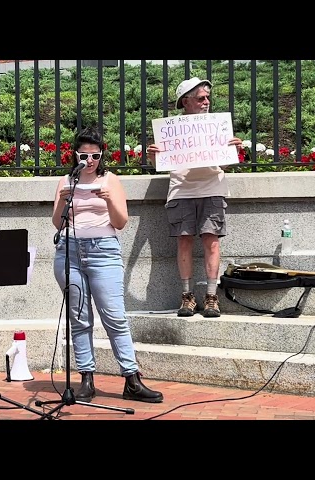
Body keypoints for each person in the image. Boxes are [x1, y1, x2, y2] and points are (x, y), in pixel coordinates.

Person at [52, 126, 163, 403]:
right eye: (84, 155)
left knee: (113, 316)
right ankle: (86, 379)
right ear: (75, 155)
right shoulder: (68, 181)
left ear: (102, 156)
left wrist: (110, 200)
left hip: (103, 252)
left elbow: (121, 222)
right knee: (79, 318)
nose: (89, 161)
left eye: (95, 156)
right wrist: (63, 201)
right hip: (69, 251)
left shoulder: (111, 180)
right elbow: (57, 222)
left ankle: (132, 379)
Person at [146, 77, 243, 318]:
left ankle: (212, 296)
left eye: (207, 97)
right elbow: (161, 164)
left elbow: (226, 165)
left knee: (212, 241)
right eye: (201, 98)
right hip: (181, 189)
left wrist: (235, 151)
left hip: (213, 187)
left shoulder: (217, 125)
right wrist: (152, 156)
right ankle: (187, 296)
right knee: (184, 241)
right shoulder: (171, 129)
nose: (206, 102)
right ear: (185, 102)